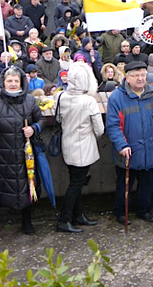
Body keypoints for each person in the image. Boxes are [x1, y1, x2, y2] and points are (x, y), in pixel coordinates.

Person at [0, 66, 44, 238]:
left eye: (16, 81)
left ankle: (27, 222)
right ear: (3, 83)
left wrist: (34, 128)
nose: (13, 84)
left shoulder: (29, 101)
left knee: (27, 186)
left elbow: (41, 119)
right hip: (1, 154)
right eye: (9, 81)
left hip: (24, 154)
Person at [106, 61, 153, 225]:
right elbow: (113, 125)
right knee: (124, 184)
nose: (141, 79)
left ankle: (144, 210)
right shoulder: (117, 98)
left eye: (143, 75)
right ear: (127, 78)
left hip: (149, 148)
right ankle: (121, 211)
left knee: (147, 182)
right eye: (136, 76)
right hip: (129, 148)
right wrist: (122, 145)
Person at [53, 61, 104, 233]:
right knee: (76, 184)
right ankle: (64, 219)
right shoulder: (88, 101)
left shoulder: (60, 96)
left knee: (76, 181)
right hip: (84, 146)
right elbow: (99, 129)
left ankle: (78, 215)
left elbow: (59, 119)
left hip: (67, 143)